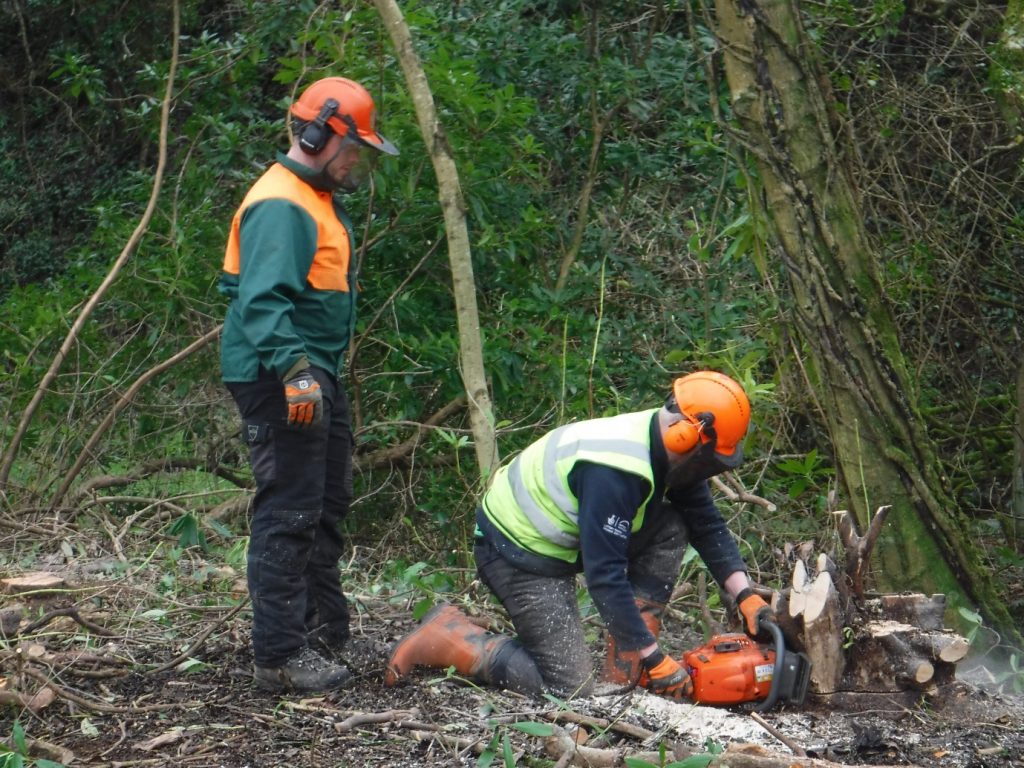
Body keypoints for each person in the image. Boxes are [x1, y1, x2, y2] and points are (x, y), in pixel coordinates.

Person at [384, 371, 775, 699]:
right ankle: (450, 638)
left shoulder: (668, 450)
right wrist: (657, 658)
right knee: (570, 689)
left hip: (567, 540)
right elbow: (605, 578)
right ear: (686, 437)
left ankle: (626, 670)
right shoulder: (616, 471)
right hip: (519, 553)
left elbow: (706, 522)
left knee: (672, 525)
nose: (708, 468)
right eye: (710, 458)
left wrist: (745, 595)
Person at [219, 76, 398, 694]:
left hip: (312, 367)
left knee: (325, 502)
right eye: (357, 149)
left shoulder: (314, 198)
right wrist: (296, 373)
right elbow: (262, 301)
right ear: (322, 134)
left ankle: (323, 629)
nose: (360, 163)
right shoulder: (281, 203)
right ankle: (278, 654)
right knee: (290, 506)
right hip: (280, 371)